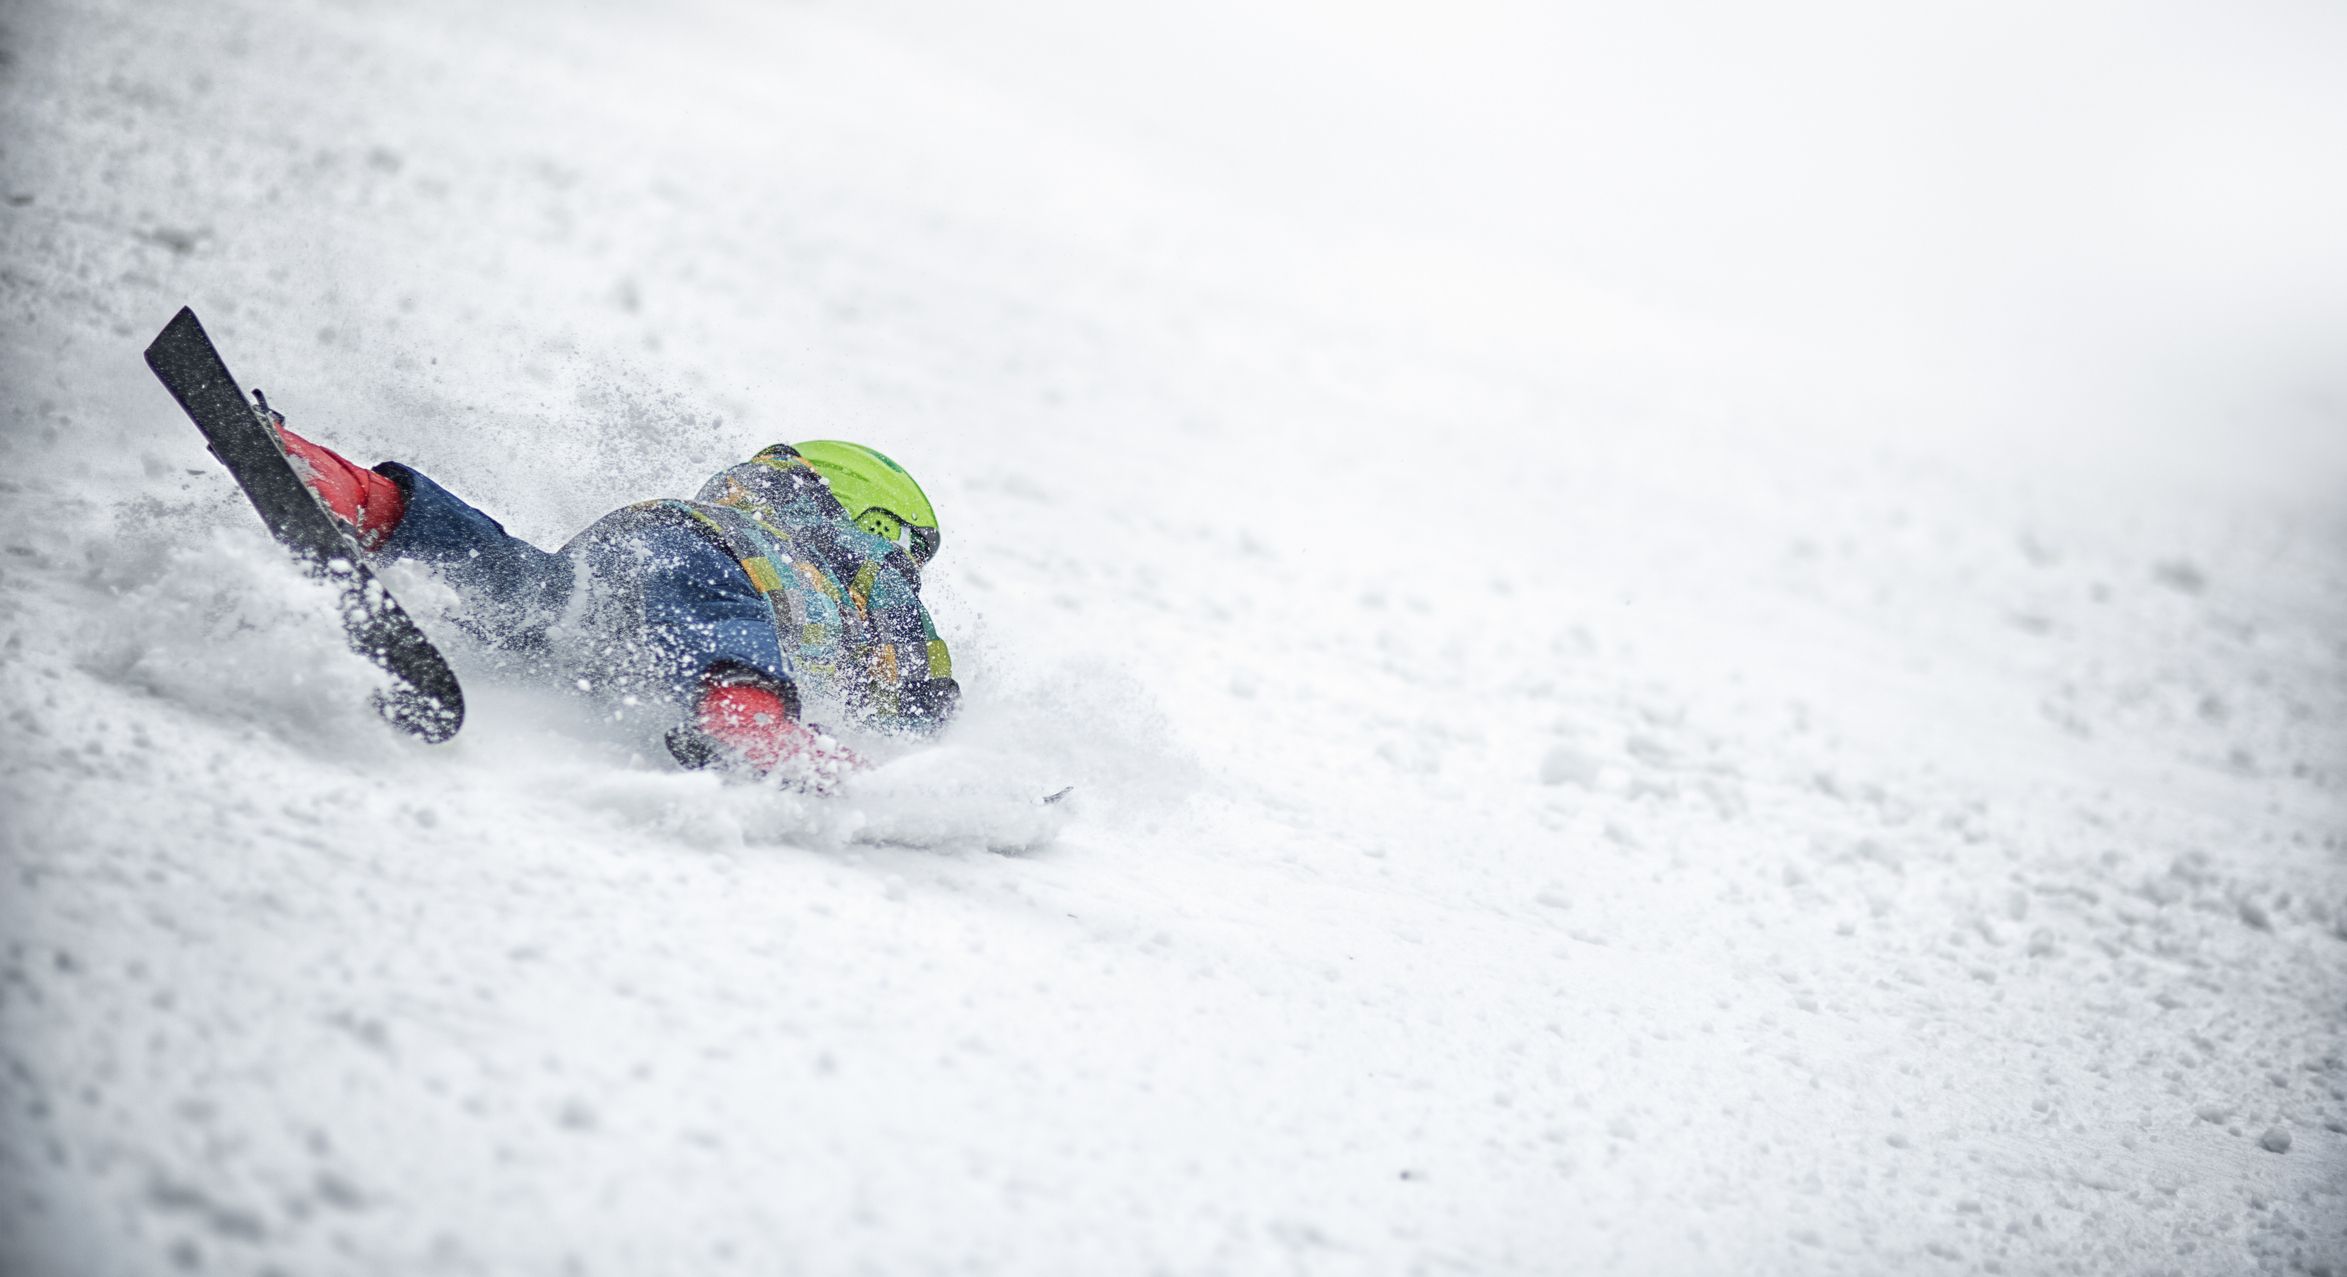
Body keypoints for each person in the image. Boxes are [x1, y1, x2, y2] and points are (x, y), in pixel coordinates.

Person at [264, 403, 958, 789]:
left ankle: (352, 490)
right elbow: (914, 664)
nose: (908, 573)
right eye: (908, 553)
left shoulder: (766, 518)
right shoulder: (863, 565)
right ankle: (747, 716)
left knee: (526, 595)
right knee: (723, 617)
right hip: (706, 563)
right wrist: (935, 725)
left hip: (632, 551)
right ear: (877, 521)